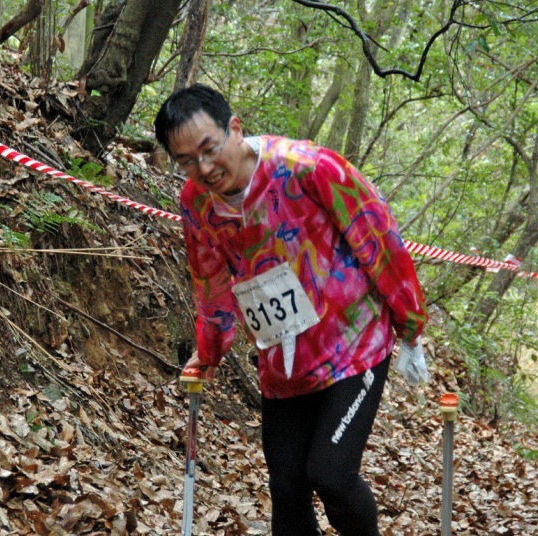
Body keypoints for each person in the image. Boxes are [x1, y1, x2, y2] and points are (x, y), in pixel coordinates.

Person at [154, 83, 428, 536]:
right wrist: (210, 350)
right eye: (186, 161)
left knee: (331, 474)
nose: (203, 168)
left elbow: (380, 242)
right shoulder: (196, 203)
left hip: (353, 344)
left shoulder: (310, 168)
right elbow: (210, 281)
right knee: (286, 491)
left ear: (235, 129)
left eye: (209, 149)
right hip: (283, 359)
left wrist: (411, 326)